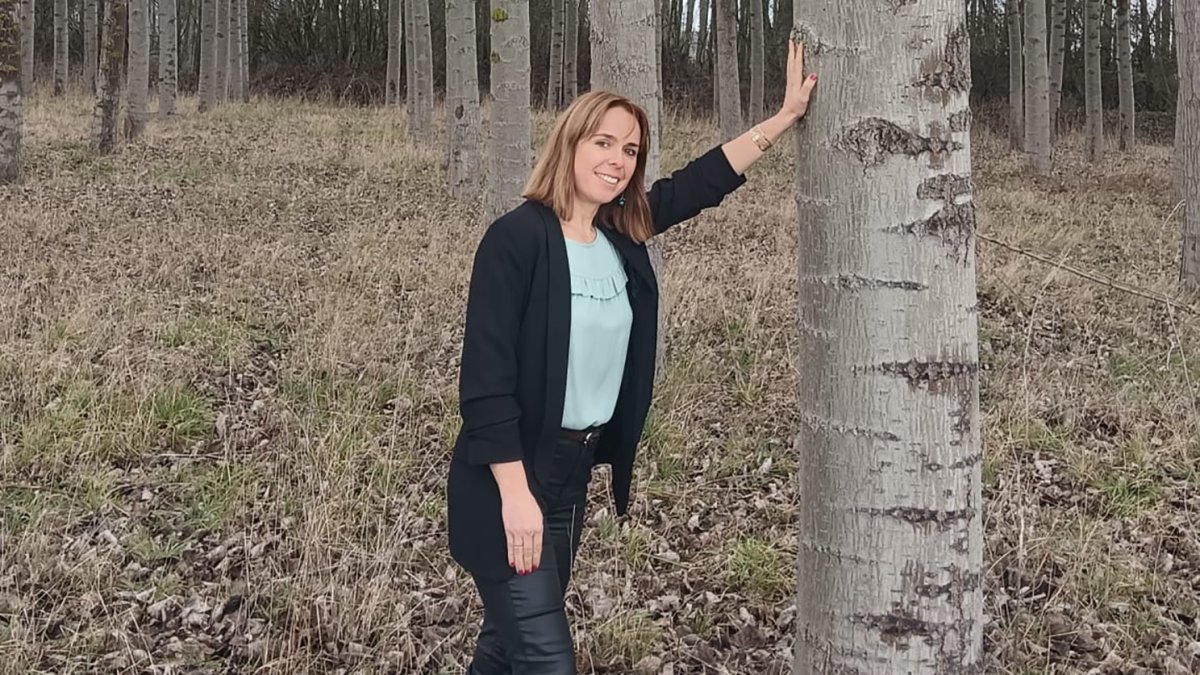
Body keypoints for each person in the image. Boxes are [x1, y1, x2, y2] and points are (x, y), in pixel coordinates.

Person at [446, 41, 818, 674]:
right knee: (544, 659)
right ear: (569, 143)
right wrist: (515, 496)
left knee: (505, 646)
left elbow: (701, 182)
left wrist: (783, 118)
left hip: (569, 478)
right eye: (604, 142)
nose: (618, 160)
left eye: (631, 150)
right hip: (506, 482)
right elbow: (485, 384)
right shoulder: (515, 240)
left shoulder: (620, 236)